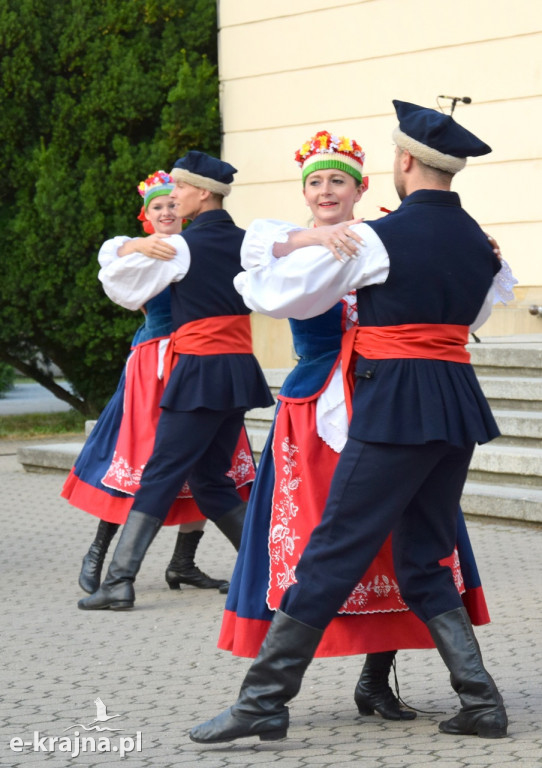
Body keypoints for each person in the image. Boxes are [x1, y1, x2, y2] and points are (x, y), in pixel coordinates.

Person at [189, 100, 510, 744]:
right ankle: (481, 704)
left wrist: (272, 262)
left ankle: (262, 702)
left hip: (393, 404)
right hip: (455, 401)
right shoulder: (480, 240)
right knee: (425, 555)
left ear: (404, 162)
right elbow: (473, 318)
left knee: (332, 549)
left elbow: (278, 294)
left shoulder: (377, 237)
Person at [78, 151, 274, 611]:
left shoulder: (183, 247)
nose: (176, 197)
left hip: (200, 370)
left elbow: (122, 290)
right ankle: (268, 569)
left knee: (162, 471)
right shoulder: (249, 242)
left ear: (202, 192)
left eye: (181, 188)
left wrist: (129, 248)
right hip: (237, 369)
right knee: (210, 481)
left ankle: (120, 581)